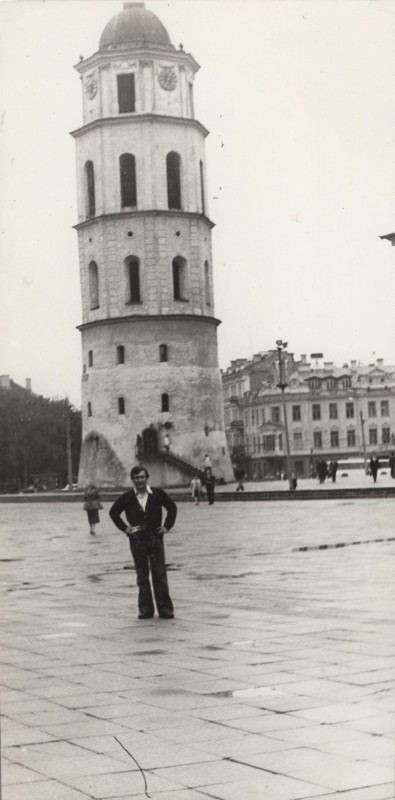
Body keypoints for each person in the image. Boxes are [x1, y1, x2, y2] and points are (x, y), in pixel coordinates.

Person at [109, 466, 177, 619]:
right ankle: (145, 609)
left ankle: (165, 609)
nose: (139, 480)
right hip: (137, 540)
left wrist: (167, 526)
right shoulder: (127, 497)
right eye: (136, 478)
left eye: (142, 477)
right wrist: (126, 528)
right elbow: (113, 512)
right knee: (142, 575)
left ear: (147, 478)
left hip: (155, 538)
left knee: (159, 573)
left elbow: (172, 507)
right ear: (132, 480)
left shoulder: (157, 494)